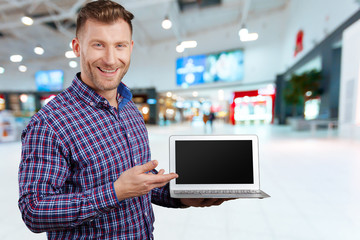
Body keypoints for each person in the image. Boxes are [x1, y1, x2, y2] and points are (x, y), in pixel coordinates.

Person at [18, 1, 228, 239]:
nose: (110, 59)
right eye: (98, 45)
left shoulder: (130, 110)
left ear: (130, 47)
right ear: (77, 47)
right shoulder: (50, 123)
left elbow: (141, 185)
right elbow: (34, 211)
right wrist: (115, 192)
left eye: (120, 46)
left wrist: (181, 196)